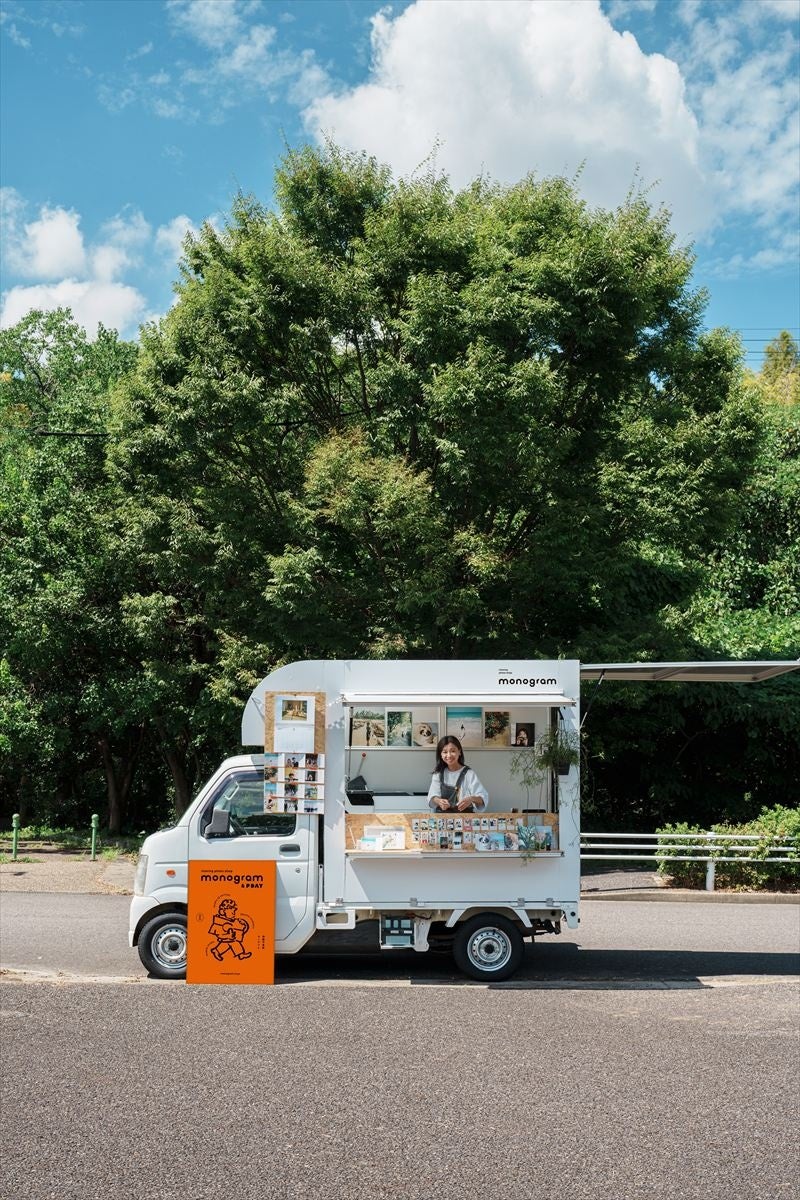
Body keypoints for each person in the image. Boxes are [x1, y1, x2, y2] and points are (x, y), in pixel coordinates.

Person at [427, 735, 489, 812]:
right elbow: (432, 797)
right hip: (443, 818)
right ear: (441, 754)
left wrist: (471, 799)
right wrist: (438, 801)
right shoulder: (438, 774)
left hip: (465, 818)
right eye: (445, 752)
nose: (449, 755)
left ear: (459, 752)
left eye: (453, 751)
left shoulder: (469, 774)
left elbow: (483, 798)